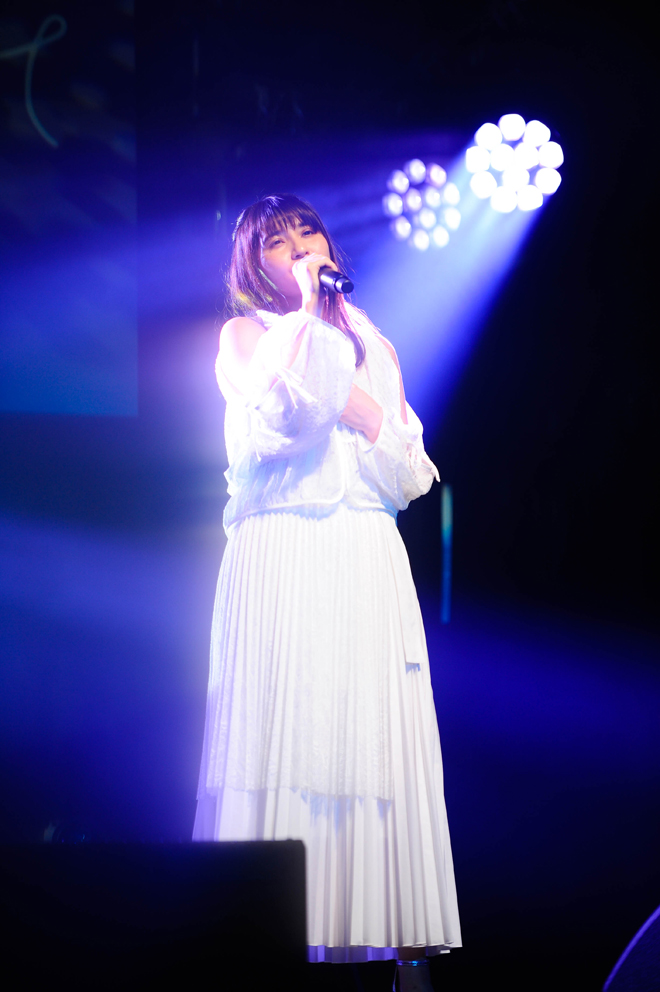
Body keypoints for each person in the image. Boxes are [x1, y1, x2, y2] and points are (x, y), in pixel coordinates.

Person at [193, 194, 461, 990]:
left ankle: (383, 944)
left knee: (367, 740)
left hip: (363, 549)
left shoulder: (373, 340)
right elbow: (283, 420)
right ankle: (262, 934)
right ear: (255, 266)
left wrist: (359, 401)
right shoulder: (245, 336)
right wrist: (312, 323)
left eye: (307, 231)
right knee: (286, 735)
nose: (299, 247)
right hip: (283, 550)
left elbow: (408, 471)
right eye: (278, 242)